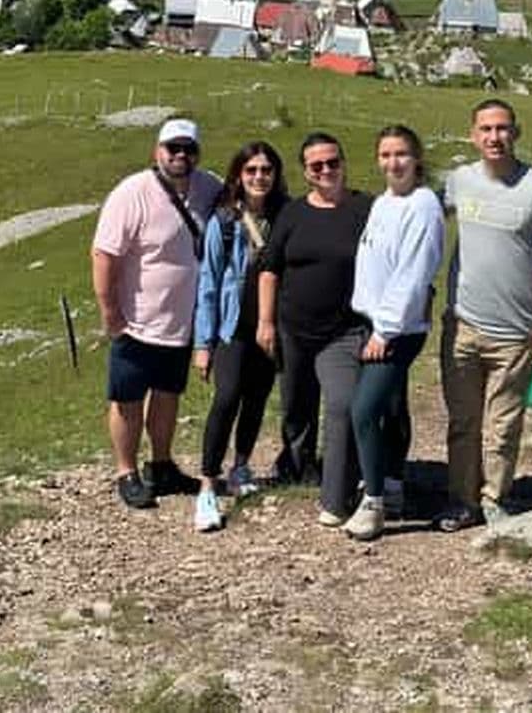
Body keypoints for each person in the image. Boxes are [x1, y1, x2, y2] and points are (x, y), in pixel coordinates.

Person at [437, 99, 532, 531]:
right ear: (473, 135)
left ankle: (494, 498)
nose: (494, 137)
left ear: (517, 132)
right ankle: (462, 500)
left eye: (502, 128)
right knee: (463, 422)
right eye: (486, 129)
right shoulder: (459, 182)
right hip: (461, 326)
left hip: (514, 335)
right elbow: (419, 219)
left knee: (502, 425)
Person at [92, 119, 222, 509]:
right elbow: (104, 254)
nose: (181, 155)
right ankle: (125, 471)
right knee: (127, 400)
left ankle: (161, 464)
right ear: (157, 151)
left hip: (181, 323)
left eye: (189, 149)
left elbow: (239, 199)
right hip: (136, 322)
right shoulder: (132, 192)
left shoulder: (208, 187)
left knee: (168, 396)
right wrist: (111, 314)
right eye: (173, 148)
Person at [258, 132, 372, 525]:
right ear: (305, 172)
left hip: (344, 329)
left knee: (342, 403)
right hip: (293, 327)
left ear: (344, 162)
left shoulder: (366, 208)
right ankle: (298, 464)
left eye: (333, 162)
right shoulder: (292, 213)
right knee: (295, 405)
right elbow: (270, 268)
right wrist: (266, 321)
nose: (326, 170)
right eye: (316, 166)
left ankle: (337, 492)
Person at [345, 125, 445, 540]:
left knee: (363, 410)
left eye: (401, 154)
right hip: (375, 320)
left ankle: (373, 505)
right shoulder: (383, 203)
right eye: (385, 155)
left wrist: (384, 331)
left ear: (417, 157)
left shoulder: (423, 206)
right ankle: (393, 483)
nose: (393, 163)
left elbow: (413, 274)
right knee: (390, 408)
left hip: (397, 329)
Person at [192, 141, 289, 532]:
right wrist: (203, 343)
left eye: (266, 170)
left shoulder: (286, 217)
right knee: (227, 396)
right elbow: (209, 285)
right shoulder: (225, 222)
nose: (259, 177)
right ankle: (207, 485)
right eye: (251, 171)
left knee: (256, 399)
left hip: (271, 327)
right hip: (232, 327)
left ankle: (241, 465)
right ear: (237, 176)